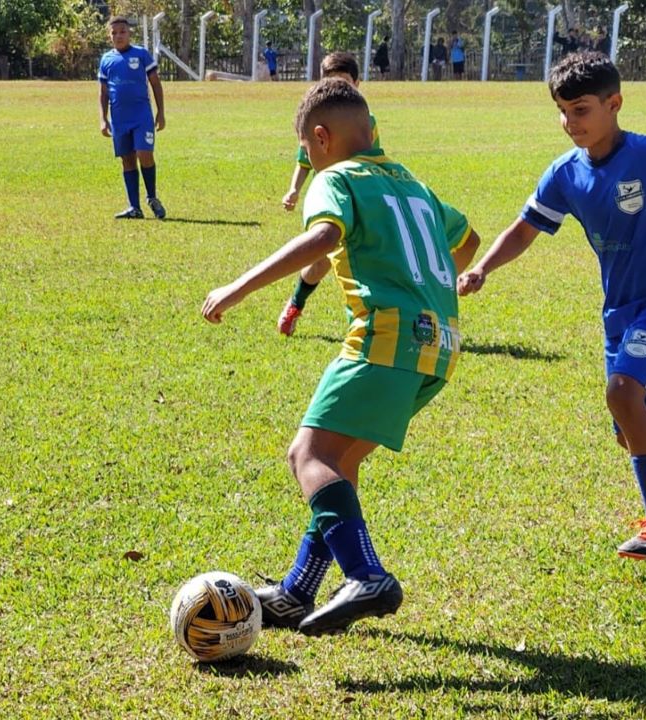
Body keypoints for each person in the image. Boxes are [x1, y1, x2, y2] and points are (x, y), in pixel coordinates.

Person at [456, 52, 646, 560]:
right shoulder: (564, 174)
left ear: (615, 103)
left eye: (580, 110)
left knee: (624, 394)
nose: (569, 122)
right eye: (562, 111)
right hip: (619, 315)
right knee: (632, 431)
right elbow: (525, 228)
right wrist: (483, 267)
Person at [202, 78, 480, 635]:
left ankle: (365, 573)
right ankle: (297, 591)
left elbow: (322, 237)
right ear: (373, 131)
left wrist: (236, 289)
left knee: (307, 454)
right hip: (440, 346)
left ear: (321, 139)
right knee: (340, 463)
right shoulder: (414, 186)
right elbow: (468, 243)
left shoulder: (336, 177)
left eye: (306, 149)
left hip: (385, 338)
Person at [278, 52, 384, 337]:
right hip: (332, 197)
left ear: (358, 83)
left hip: (360, 197)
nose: (339, 89)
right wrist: (294, 190)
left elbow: (373, 159)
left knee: (362, 259)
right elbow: (303, 160)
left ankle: (369, 320)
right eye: (332, 81)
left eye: (345, 82)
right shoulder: (315, 119)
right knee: (321, 260)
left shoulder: (366, 120)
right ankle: (295, 303)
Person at [98, 16, 166, 220]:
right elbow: (103, 93)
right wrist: (103, 118)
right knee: (127, 160)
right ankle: (134, 207)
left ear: (129, 33)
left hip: (141, 116)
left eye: (122, 32)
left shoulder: (141, 54)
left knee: (145, 154)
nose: (118, 36)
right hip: (119, 119)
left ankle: (152, 197)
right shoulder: (106, 60)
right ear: (109, 36)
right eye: (114, 33)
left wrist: (161, 112)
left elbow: (155, 84)